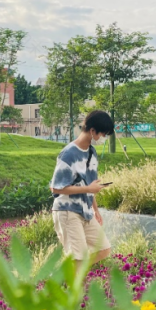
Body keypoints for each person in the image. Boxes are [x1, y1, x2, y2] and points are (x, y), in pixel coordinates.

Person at [49, 110, 115, 268]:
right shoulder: (69, 154)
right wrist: (88, 188)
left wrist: (96, 210)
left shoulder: (92, 152)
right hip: (67, 211)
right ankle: (72, 286)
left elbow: (91, 186)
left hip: (85, 211)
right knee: (79, 259)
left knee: (104, 249)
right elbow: (55, 188)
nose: (103, 139)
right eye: (102, 134)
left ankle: (64, 275)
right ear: (92, 131)